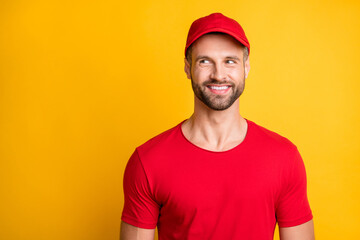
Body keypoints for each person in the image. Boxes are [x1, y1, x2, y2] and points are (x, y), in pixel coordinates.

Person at [120, 13, 314, 240]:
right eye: (205, 61)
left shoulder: (284, 158)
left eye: (230, 61)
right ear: (187, 67)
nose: (218, 75)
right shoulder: (148, 161)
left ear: (246, 67)